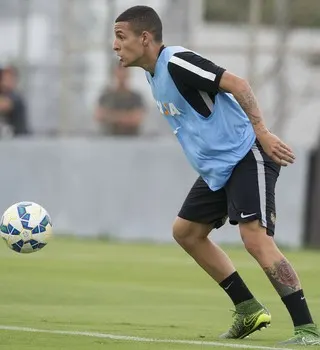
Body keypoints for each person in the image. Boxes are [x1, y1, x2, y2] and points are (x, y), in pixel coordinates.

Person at [113, 5, 320, 346]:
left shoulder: (176, 61)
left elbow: (237, 84)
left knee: (255, 239)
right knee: (187, 232)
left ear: (145, 38)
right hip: (218, 169)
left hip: (246, 154)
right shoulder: (153, 74)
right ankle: (248, 309)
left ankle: (307, 330)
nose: (115, 46)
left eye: (121, 37)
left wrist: (263, 132)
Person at [94, 63, 145, 136]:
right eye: (119, 76)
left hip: (131, 140)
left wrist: (110, 116)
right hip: (108, 140)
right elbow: (99, 115)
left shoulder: (135, 97)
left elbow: (137, 118)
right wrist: (126, 117)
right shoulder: (106, 97)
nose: (121, 79)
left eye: (124, 76)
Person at [0, 65, 29, 137]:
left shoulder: (16, 98)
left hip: (19, 139)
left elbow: (5, 105)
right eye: (5, 78)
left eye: (10, 78)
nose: (7, 81)